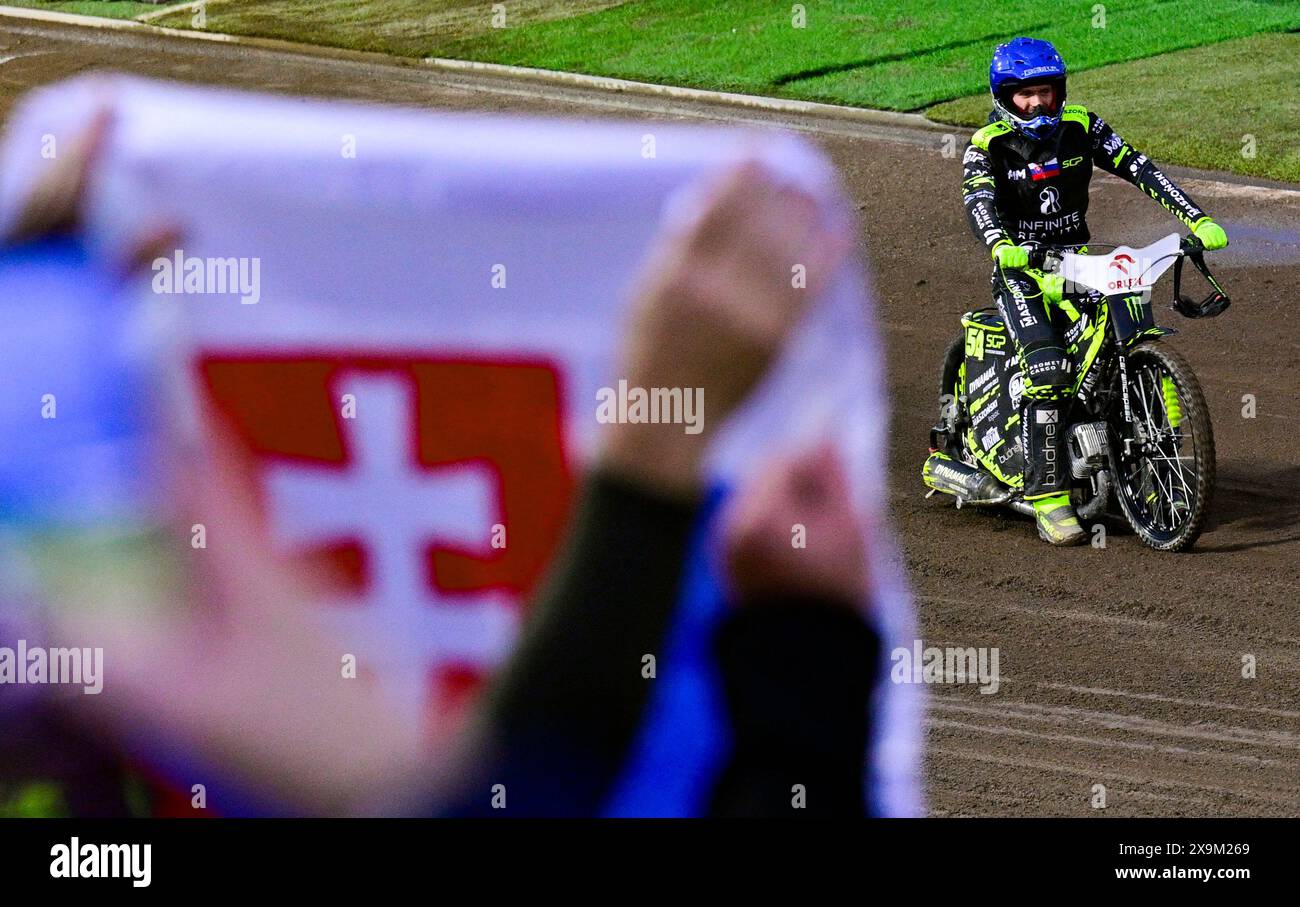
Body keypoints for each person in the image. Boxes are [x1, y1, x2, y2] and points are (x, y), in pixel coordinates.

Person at [959, 37, 1229, 545]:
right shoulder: (986, 145)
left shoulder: (1083, 126)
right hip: (1023, 272)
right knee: (1051, 369)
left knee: (1127, 337)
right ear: (1004, 96)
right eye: (1025, 95)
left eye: (1046, 91)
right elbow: (978, 204)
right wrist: (1001, 244)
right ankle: (1048, 498)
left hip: (1081, 264)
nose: (1038, 103)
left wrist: (1197, 217)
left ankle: (1141, 474)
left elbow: (1139, 167)